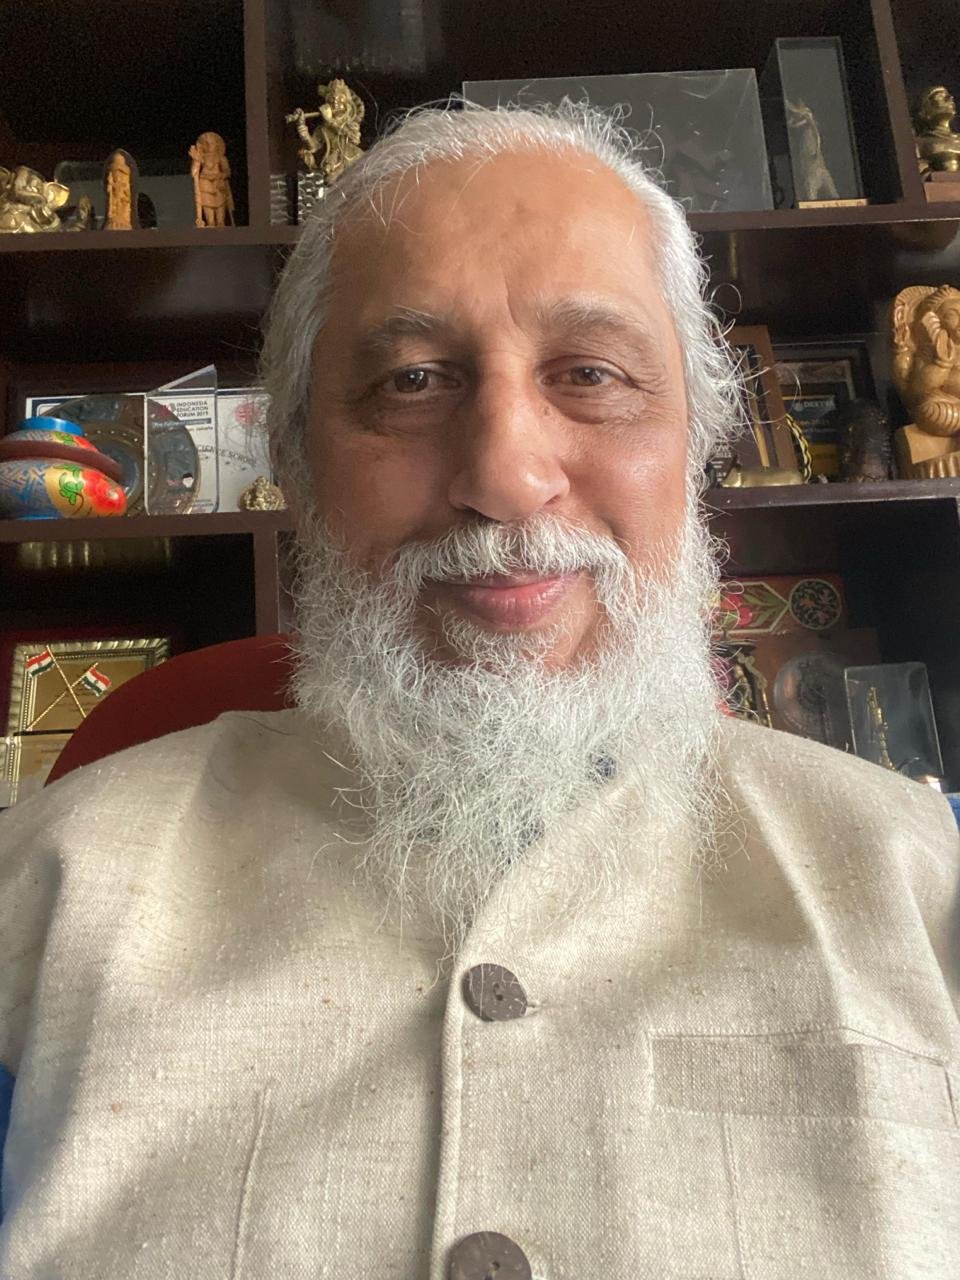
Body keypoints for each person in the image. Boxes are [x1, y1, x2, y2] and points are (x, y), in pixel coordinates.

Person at [1, 103, 957, 1278]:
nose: (505, 474)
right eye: (412, 381)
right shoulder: (45, 895)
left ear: (699, 439)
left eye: (592, 374)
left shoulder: (921, 882)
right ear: (295, 464)